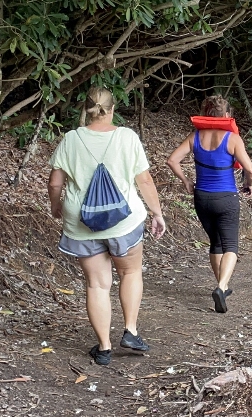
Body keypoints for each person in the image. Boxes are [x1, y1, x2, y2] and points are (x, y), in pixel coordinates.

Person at [49, 87, 167, 365]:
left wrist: (56, 206)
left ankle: (104, 348)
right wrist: (157, 213)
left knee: (97, 284)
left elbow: (55, 183)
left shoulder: (71, 139)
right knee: (130, 272)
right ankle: (131, 331)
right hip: (124, 221)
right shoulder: (127, 137)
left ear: (86, 109)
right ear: (113, 109)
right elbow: (144, 180)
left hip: (82, 222)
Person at [165, 96, 252, 314]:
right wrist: (248, 184)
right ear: (226, 116)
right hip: (226, 198)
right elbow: (250, 169)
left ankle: (221, 288)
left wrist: (186, 181)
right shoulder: (232, 139)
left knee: (215, 242)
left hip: (202, 198)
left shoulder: (195, 137)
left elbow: (172, 160)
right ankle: (222, 286)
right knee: (231, 245)